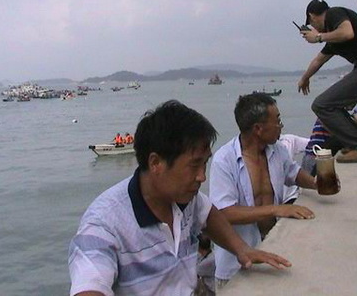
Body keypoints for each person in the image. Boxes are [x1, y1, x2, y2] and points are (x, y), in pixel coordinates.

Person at [69, 100, 291, 296]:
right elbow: (90, 283)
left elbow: (209, 213)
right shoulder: (105, 223)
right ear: (156, 163)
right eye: (194, 165)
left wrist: (241, 249)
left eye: (205, 163)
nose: (202, 177)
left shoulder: (186, 199)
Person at [209, 93, 317, 285]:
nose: (281, 126)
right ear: (258, 129)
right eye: (277, 121)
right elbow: (224, 213)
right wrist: (277, 209)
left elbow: (293, 173)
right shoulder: (224, 160)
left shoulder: (278, 150)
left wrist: (318, 184)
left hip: (273, 249)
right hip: (237, 264)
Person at [298, 0, 357, 163]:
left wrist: (318, 37)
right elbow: (319, 60)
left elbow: (347, 32)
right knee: (334, 105)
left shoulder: (334, 13)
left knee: (322, 105)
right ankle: (354, 143)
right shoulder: (334, 39)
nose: (314, 28)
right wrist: (305, 78)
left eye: (312, 25)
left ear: (312, 17)